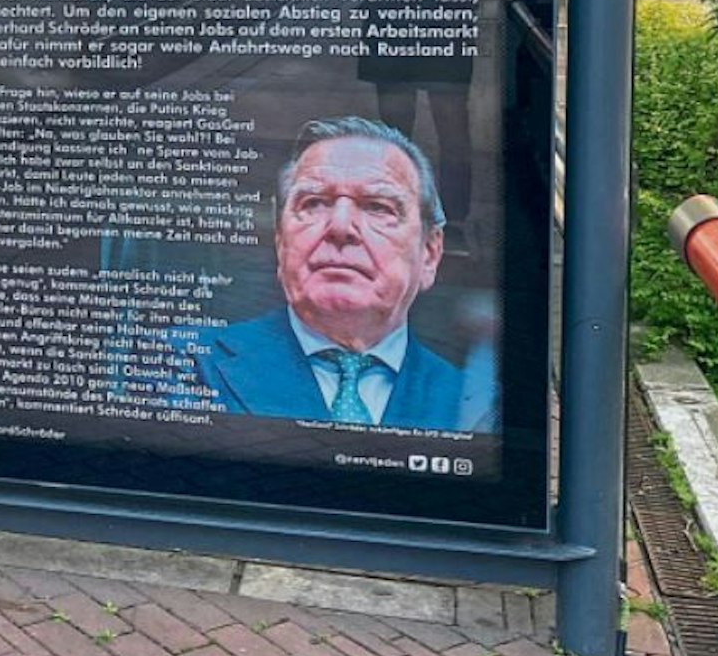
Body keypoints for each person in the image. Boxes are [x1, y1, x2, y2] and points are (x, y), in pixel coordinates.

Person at [187, 117, 497, 433]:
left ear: (430, 254)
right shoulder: (184, 363)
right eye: (314, 202)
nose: (340, 226)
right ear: (281, 243)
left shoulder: (480, 406)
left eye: (378, 206)